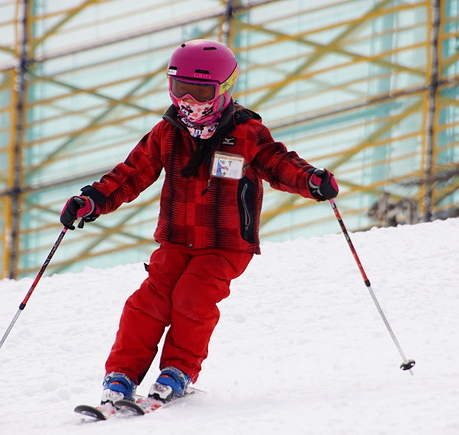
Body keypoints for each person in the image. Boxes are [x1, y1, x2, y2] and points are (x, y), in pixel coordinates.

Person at [60, 39, 339, 405]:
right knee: (149, 301)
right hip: (176, 238)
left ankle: (178, 370)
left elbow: (278, 163)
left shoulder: (245, 132)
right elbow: (132, 173)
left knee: (193, 297)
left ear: (224, 89)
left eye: (200, 91)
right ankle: (121, 376)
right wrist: (93, 200)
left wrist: (311, 180)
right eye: (181, 90)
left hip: (225, 244)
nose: (189, 102)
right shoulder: (168, 131)